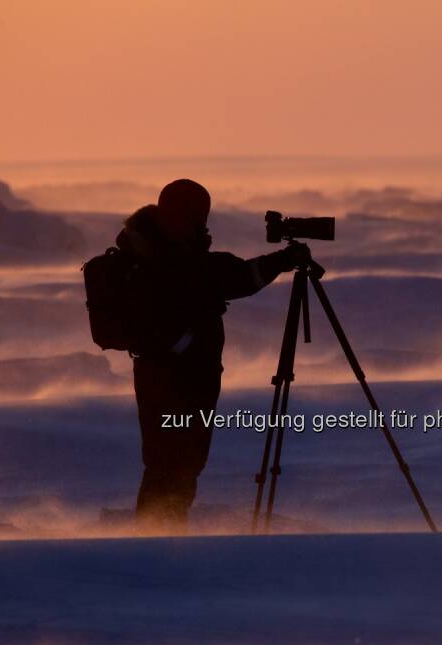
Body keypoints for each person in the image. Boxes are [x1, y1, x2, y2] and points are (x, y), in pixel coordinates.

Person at [118, 179, 309, 530]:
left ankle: (163, 533)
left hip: (189, 377)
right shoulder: (163, 260)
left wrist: (279, 261)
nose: (201, 225)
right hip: (173, 379)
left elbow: (230, 277)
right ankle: (155, 538)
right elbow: (228, 278)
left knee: (181, 464)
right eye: (196, 217)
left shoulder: (168, 254)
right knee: (170, 464)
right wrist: (280, 262)